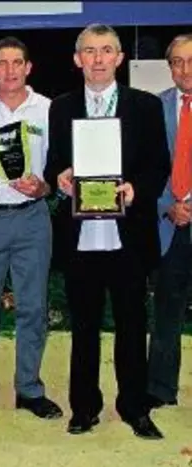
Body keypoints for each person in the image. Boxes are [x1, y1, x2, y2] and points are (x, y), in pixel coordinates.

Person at [44, 23, 170, 439]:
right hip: (81, 238)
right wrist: (59, 177)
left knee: (133, 326)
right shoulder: (60, 107)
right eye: (90, 51)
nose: (98, 59)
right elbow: (53, 164)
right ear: (77, 58)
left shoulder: (145, 106)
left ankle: (134, 407)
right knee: (83, 328)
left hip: (128, 236)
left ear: (119, 58)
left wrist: (137, 190)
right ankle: (84, 407)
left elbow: (158, 166)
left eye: (106, 51)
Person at [0, 36, 63, 423]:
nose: (9, 70)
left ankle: (29, 389)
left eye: (16, 62)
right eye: (1, 63)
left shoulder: (49, 110)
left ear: (28, 67)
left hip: (33, 217)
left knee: (33, 308)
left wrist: (46, 186)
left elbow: (59, 167)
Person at [149, 33, 192, 409]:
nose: (185, 69)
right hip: (169, 225)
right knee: (166, 310)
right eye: (177, 62)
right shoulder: (154, 108)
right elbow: (146, 169)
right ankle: (161, 390)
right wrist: (167, 206)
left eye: (191, 60)